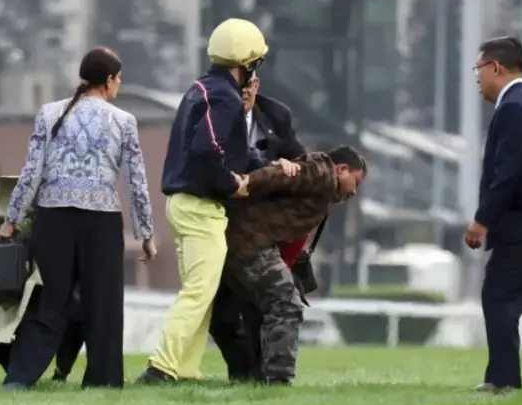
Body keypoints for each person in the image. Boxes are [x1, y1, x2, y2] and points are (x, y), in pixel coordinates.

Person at [136, 19, 299, 385]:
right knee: (198, 292)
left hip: (182, 202)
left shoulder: (200, 89)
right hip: (201, 207)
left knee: (202, 292)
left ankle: (185, 368)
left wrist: (269, 165)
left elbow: (229, 153)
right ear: (247, 63)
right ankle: (161, 367)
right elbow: (207, 153)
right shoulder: (224, 96)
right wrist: (232, 184)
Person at [0, 46, 154, 389]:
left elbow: (31, 172)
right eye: (119, 79)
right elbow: (136, 182)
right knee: (103, 305)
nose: (120, 84)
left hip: (53, 219)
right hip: (101, 223)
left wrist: (12, 219)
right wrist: (146, 234)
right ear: (109, 80)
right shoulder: (123, 121)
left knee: (51, 301)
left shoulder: (49, 113)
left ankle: (20, 377)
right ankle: (103, 380)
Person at [220, 146, 367, 385]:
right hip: (251, 244)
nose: (354, 192)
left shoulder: (323, 186)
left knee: (256, 311)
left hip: (243, 242)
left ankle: (253, 377)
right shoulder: (322, 174)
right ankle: (278, 379)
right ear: (341, 169)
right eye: (356, 182)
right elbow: (279, 175)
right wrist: (244, 183)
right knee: (286, 305)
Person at [464, 36, 522, 393]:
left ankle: (503, 381)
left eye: (478, 68)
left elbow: (509, 172)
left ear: (496, 67)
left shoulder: (516, 107)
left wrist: (482, 219)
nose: (477, 77)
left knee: (498, 296)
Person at [210, 76, 310, 380]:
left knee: (260, 307)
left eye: (248, 86)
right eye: (238, 86)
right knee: (222, 316)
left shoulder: (277, 116)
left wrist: (283, 166)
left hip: (259, 229)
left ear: (257, 86)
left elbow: (301, 162)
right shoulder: (211, 115)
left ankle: (256, 376)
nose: (243, 93)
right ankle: (241, 372)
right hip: (217, 221)